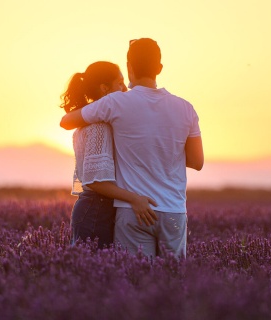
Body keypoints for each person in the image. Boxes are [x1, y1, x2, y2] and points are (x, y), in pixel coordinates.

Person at [60, 39, 204, 258]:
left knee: (135, 281)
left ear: (129, 67)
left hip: (132, 211)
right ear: (159, 68)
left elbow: (66, 121)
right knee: (174, 283)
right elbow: (197, 162)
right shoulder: (186, 108)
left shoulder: (116, 103)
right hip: (174, 210)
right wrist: (163, 150)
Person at [60, 61, 158, 250]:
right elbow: (96, 182)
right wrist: (134, 199)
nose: (125, 88)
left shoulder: (92, 120)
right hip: (97, 209)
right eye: (119, 83)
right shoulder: (100, 126)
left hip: (95, 208)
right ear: (105, 89)